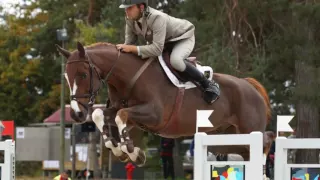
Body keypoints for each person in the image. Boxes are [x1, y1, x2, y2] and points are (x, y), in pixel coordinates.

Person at [116, 0, 220, 104]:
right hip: (164, 43)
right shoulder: (130, 19)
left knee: (176, 61)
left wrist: (132, 49)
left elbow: (156, 49)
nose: (126, 11)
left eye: (130, 8)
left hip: (182, 38)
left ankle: (207, 83)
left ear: (141, 7)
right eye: (125, 8)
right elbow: (128, 44)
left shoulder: (156, 17)